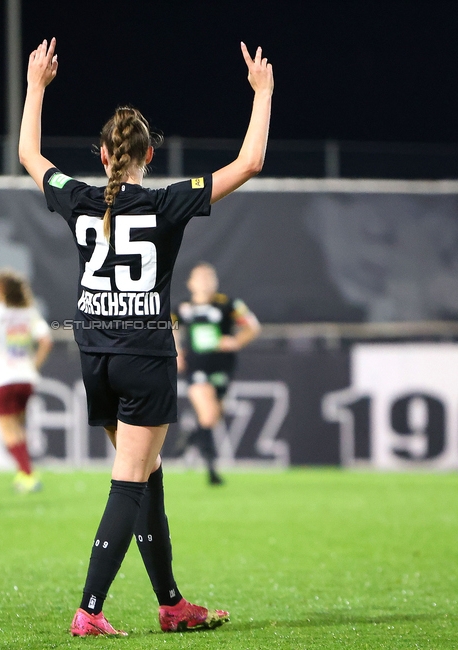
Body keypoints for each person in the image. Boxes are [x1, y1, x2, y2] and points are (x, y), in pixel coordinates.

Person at [19, 38, 272, 636]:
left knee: (146, 471)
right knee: (131, 479)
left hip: (95, 354)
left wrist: (36, 86)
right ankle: (90, 610)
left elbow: (29, 153)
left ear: (103, 154)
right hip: (144, 354)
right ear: (148, 155)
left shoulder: (78, 197)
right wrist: (262, 94)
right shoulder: (165, 203)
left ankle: (171, 603)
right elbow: (249, 163)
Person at [173, 263, 261, 485]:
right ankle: (212, 469)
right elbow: (168, 325)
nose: (204, 282)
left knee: (214, 416)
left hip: (223, 367)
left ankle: (190, 437)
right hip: (196, 367)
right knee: (209, 414)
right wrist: (175, 352)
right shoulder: (183, 307)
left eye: (208, 277)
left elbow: (252, 326)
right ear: (190, 283)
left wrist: (235, 341)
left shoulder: (227, 304)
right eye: (199, 278)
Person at [0, 271, 53, 493]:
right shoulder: (30, 313)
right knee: (19, 429)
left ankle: (28, 475)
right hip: (26, 378)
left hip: (3, 377)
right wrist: (34, 364)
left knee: (7, 431)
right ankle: (23, 474)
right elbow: (46, 341)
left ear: (1, 291)